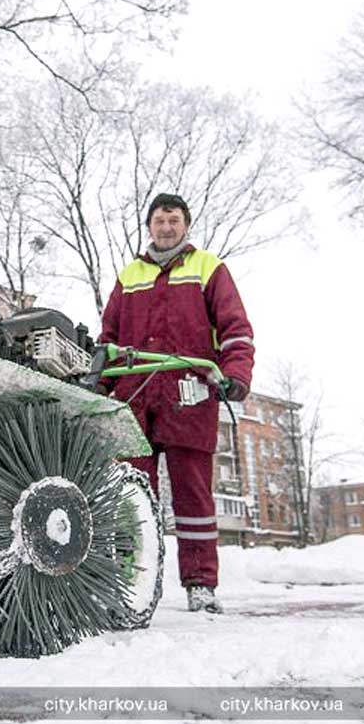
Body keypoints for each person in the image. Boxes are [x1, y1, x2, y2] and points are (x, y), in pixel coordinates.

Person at [97, 193, 254, 613]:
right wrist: (97, 377)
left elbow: (235, 326)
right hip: (134, 397)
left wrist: (236, 374)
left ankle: (200, 585)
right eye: (160, 220)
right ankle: (127, 578)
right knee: (129, 495)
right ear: (149, 226)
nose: (166, 227)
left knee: (193, 495)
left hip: (190, 394)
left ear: (186, 226)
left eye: (174, 220)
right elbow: (108, 335)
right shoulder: (129, 276)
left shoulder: (209, 269)